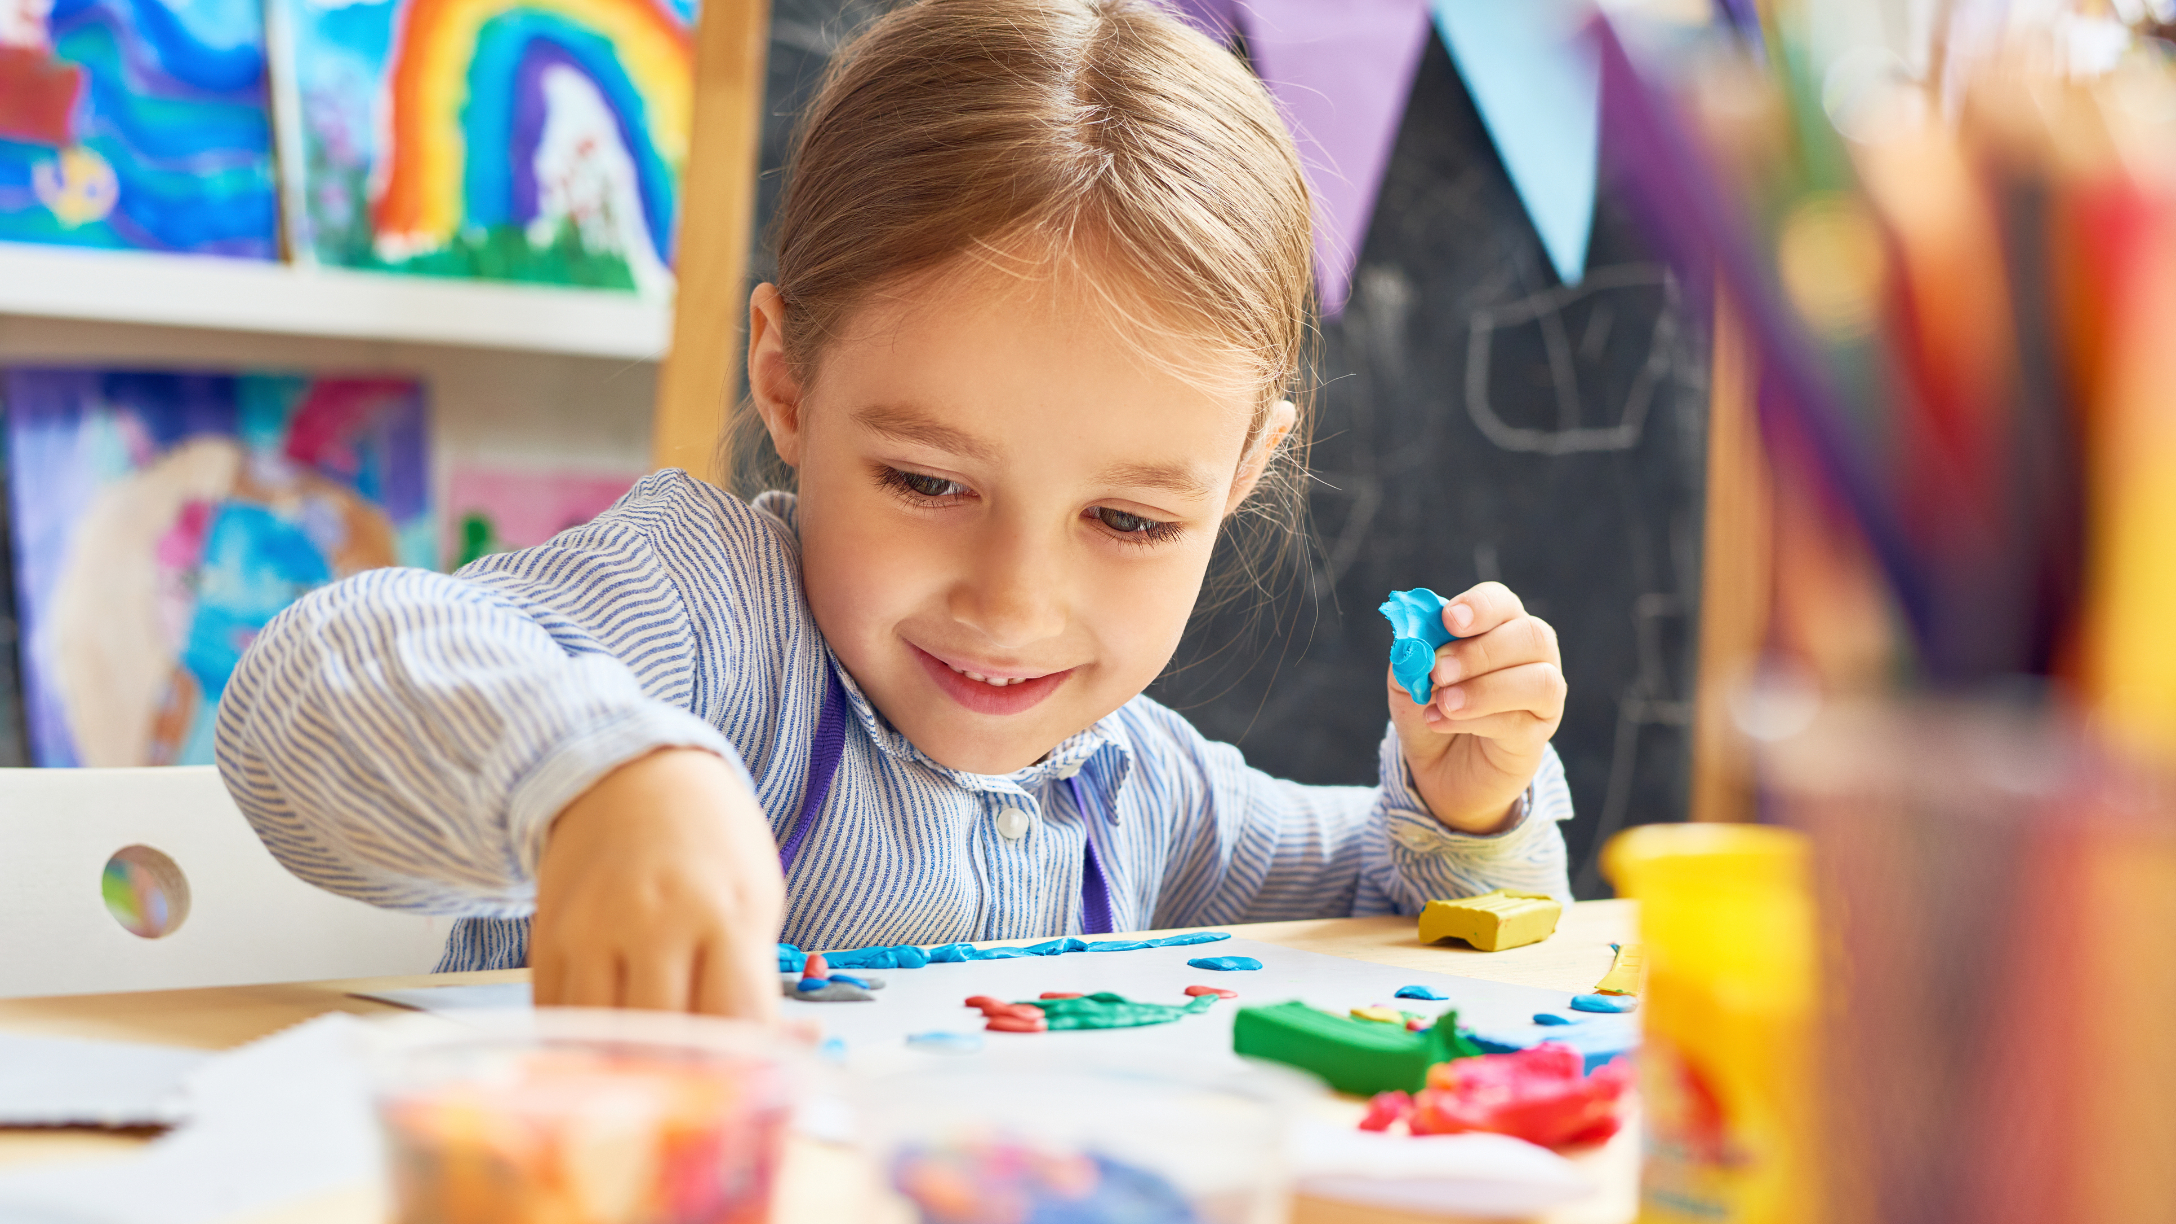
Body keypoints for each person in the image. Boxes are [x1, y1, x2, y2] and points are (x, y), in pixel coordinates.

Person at [215, 0, 1573, 1020]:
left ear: (1241, 473)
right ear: (786, 381)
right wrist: (596, 783)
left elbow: (1405, 918)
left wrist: (1465, 814)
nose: (1012, 604)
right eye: (928, 484)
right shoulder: (703, 617)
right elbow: (314, 682)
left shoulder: (1132, 788)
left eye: (1129, 523)